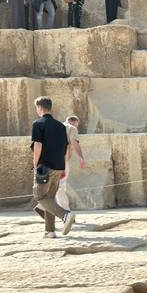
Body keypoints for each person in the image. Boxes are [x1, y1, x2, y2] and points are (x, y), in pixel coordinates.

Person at [31, 97, 76, 238]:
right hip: (59, 167)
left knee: (39, 195)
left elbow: (38, 145)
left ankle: (65, 215)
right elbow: (65, 147)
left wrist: (35, 163)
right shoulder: (61, 126)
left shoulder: (38, 124)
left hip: (44, 167)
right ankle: (50, 231)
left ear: (40, 108)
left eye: (37, 108)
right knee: (49, 197)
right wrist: (62, 166)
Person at [55, 115, 87, 210]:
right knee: (61, 186)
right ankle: (65, 213)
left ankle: (46, 207)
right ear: (73, 123)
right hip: (61, 161)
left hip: (47, 161)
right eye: (76, 125)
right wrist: (81, 158)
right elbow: (74, 142)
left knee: (51, 186)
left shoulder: (55, 126)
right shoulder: (71, 128)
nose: (76, 127)